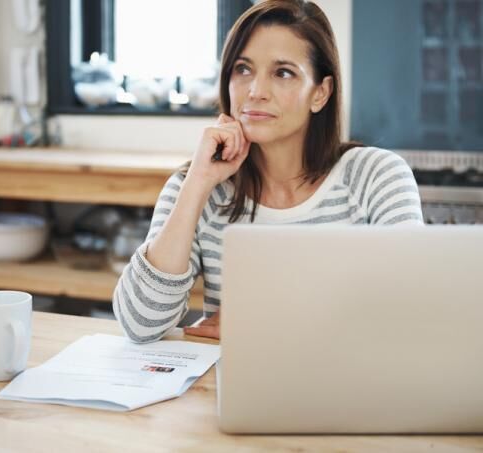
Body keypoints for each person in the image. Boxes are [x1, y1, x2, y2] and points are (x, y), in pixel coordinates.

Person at [112, 0, 423, 343]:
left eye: (283, 72)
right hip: (228, 389)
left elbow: (411, 315)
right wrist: (198, 184)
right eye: (243, 69)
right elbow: (139, 325)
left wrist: (261, 320)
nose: (255, 92)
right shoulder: (196, 185)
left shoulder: (376, 177)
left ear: (320, 93)